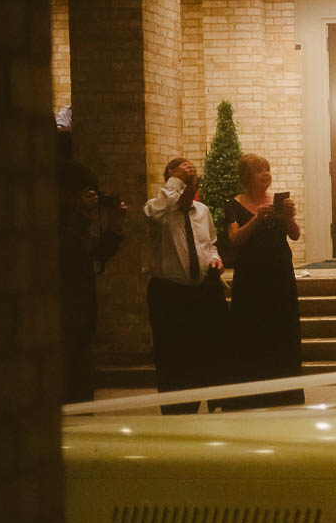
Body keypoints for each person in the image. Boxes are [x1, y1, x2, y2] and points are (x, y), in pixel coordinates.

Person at [143, 157, 229, 413]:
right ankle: (178, 411)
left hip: (201, 291)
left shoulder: (202, 211)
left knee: (208, 352)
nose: (190, 188)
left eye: (192, 182)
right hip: (169, 294)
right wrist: (176, 179)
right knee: (174, 359)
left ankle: (214, 403)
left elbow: (209, 244)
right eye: (184, 183)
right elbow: (154, 213)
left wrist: (215, 260)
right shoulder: (157, 211)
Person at [223, 153, 303, 407]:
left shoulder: (278, 202)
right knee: (252, 332)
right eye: (260, 171)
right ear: (247, 177)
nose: (266, 175)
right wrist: (257, 218)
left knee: (282, 331)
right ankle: (251, 395)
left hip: (280, 276)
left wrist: (288, 217)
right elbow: (234, 239)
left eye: (267, 170)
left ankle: (285, 393)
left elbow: (295, 235)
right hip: (252, 279)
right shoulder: (234, 204)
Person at [57, 155, 126, 403]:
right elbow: (63, 253)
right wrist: (81, 218)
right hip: (60, 316)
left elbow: (95, 253)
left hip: (82, 316)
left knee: (82, 384)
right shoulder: (50, 220)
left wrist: (114, 226)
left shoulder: (76, 223)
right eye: (84, 192)